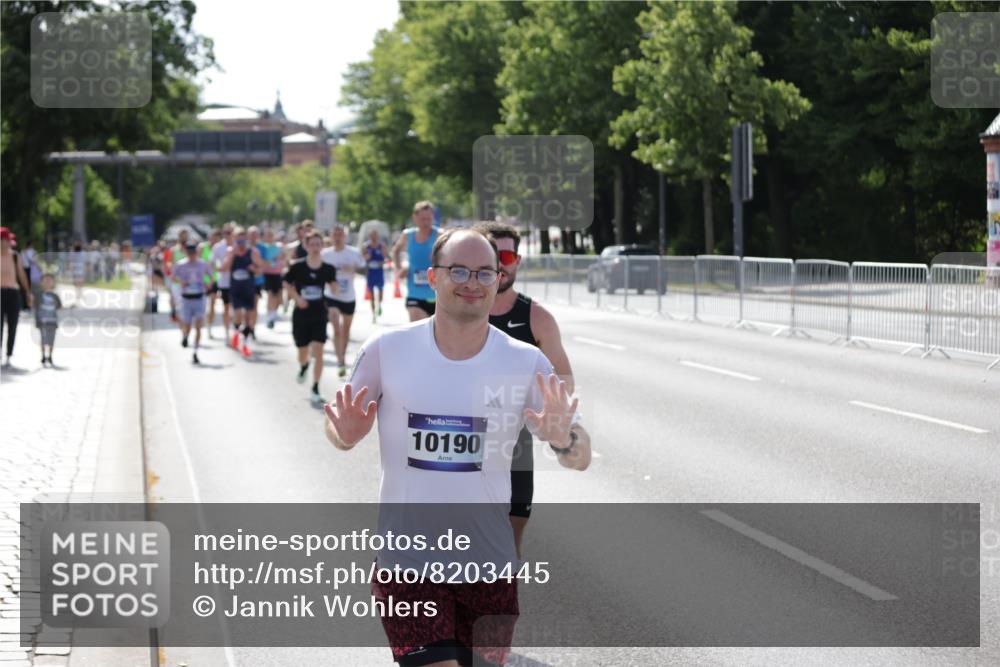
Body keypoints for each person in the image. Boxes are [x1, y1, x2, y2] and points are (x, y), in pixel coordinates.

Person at [323, 227, 590, 667]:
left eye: (486, 272)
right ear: (432, 277)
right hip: (406, 564)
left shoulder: (525, 361)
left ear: (499, 279)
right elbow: (336, 425)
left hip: (490, 567)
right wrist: (345, 435)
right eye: (459, 270)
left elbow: (581, 455)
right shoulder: (387, 350)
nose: (473, 282)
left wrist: (565, 440)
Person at [473, 221, 576, 559]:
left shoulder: (536, 318)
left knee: (509, 543)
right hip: (460, 439)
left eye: (508, 255)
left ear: (517, 261)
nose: (501, 264)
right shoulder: (456, 311)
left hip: (514, 444)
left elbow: (563, 382)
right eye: (493, 255)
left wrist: (548, 416)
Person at [283, 230, 338, 403]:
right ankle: (304, 365)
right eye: (312, 244)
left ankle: (315, 387)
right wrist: (297, 298)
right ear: (306, 246)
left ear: (323, 246)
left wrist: (336, 289)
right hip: (301, 314)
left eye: (318, 244)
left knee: (319, 351)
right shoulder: (298, 266)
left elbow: (334, 286)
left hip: (319, 314)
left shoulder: (328, 268)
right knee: (302, 351)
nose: (315, 247)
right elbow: (286, 282)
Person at [321, 225, 367, 377]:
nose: (338, 237)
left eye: (340, 234)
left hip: (348, 297)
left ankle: (342, 354)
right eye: (335, 234)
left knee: (346, 330)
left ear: (345, 237)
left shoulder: (353, 253)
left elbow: (365, 270)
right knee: (337, 328)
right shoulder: (325, 254)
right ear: (331, 237)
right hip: (331, 296)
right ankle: (340, 360)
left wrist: (353, 269)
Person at [391, 201, 440, 321]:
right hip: (414, 294)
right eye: (423, 219)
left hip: (436, 295)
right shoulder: (408, 235)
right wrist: (399, 268)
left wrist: (438, 256)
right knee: (419, 330)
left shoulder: (440, 235)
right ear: (415, 218)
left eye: (429, 219)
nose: (426, 222)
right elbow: (396, 250)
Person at [220, 226, 262, 358]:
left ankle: (244, 344)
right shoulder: (230, 251)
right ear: (234, 239)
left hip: (249, 287)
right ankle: (237, 333)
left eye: (243, 239)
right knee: (238, 314)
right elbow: (223, 269)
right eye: (238, 239)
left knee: (249, 318)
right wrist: (231, 257)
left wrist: (253, 268)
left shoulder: (253, 252)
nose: (241, 242)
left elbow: (260, 270)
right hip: (236, 288)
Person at [173, 241, 214, 364]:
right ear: (186, 253)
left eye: (193, 253)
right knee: (187, 324)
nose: (191, 255)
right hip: (186, 298)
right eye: (189, 253)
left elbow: (211, 277)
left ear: (196, 253)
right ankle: (185, 336)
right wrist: (182, 282)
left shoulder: (203, 264)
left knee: (199, 326)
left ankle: (195, 351)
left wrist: (208, 285)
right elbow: (173, 277)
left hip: (199, 297)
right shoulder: (181, 265)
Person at [1, 227, 33, 365]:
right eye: (8, 239)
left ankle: (9, 355)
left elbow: (21, 275)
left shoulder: (15, 256)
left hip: (13, 293)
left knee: (12, 325)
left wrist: (27, 292)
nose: (10, 242)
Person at [210, 224, 234, 340]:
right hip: (224, 282)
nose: (228, 235)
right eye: (226, 232)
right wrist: (218, 271)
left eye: (230, 232)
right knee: (226, 308)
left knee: (237, 309)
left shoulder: (238, 245)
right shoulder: (218, 247)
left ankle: (236, 330)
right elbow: (212, 262)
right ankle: (227, 332)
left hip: (238, 282)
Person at [260, 227, 285, 329]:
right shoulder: (263, 248)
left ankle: (272, 313)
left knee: (278, 298)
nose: (269, 237)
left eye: (270, 235)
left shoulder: (279, 247)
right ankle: (270, 317)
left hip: (277, 274)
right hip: (267, 274)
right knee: (271, 294)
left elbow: (284, 257)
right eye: (267, 235)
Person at [34, 273, 61, 367]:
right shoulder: (39, 295)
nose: (47, 283)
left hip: (52, 321)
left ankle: (50, 356)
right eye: (45, 281)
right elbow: (36, 308)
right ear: (41, 283)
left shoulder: (55, 296)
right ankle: (43, 356)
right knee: (43, 339)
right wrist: (37, 320)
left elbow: (59, 306)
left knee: (51, 340)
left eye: (49, 281)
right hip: (42, 321)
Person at [362, 229, 388, 323]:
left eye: (375, 235)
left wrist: (383, 261)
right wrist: (367, 257)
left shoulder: (382, 246)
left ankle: (379, 305)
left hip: (379, 272)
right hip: (370, 273)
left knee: (380, 291)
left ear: (377, 236)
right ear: (370, 236)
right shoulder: (366, 246)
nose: (374, 237)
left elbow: (386, 257)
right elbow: (362, 258)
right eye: (372, 235)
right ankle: (373, 314)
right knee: (371, 295)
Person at [202, 229, 222, 338]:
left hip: (214, 280)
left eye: (216, 237)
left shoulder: (219, 249)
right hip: (203, 281)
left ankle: (209, 326)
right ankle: (202, 323)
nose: (214, 239)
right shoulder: (202, 248)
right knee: (203, 305)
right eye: (212, 237)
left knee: (212, 304)